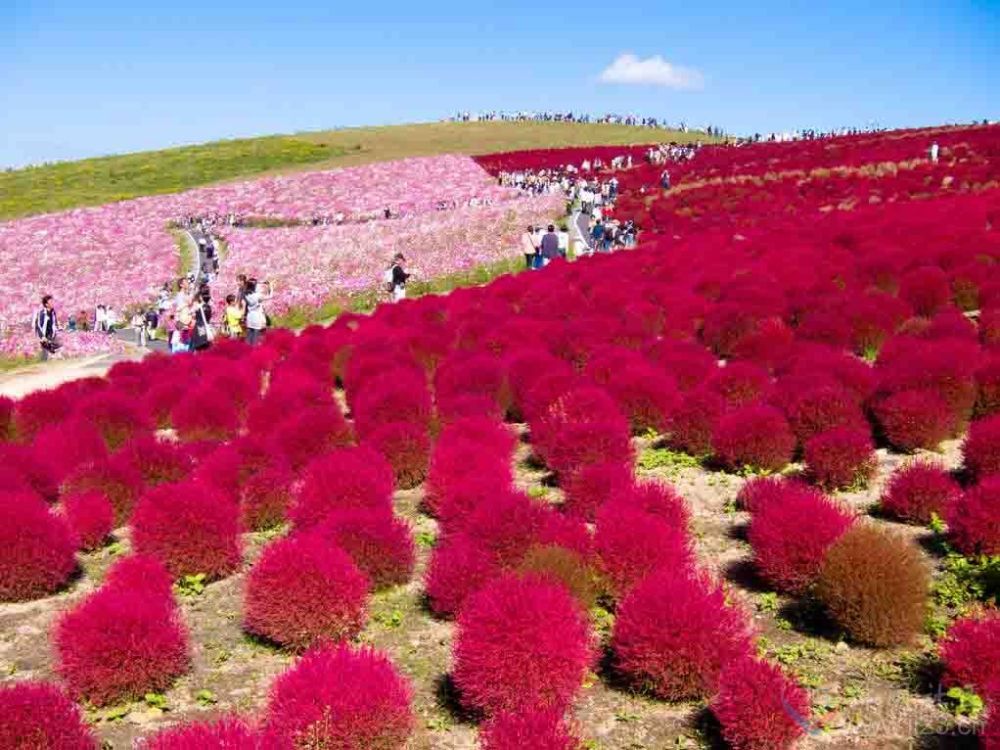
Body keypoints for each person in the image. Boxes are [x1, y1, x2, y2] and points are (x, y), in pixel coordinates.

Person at [244, 278, 272, 345]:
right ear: (254, 287)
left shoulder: (246, 295)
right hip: (256, 317)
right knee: (255, 337)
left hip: (250, 316)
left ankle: (246, 349)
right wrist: (270, 287)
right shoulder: (257, 296)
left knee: (249, 335)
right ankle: (253, 350)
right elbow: (270, 296)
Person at [33, 294, 61, 360]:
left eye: (53, 301)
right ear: (46, 304)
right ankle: (43, 362)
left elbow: (54, 323)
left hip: (51, 335)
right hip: (43, 336)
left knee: (57, 346)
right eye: (51, 302)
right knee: (44, 354)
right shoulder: (42, 313)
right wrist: (42, 337)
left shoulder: (53, 312)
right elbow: (39, 326)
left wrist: (58, 328)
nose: (53, 303)